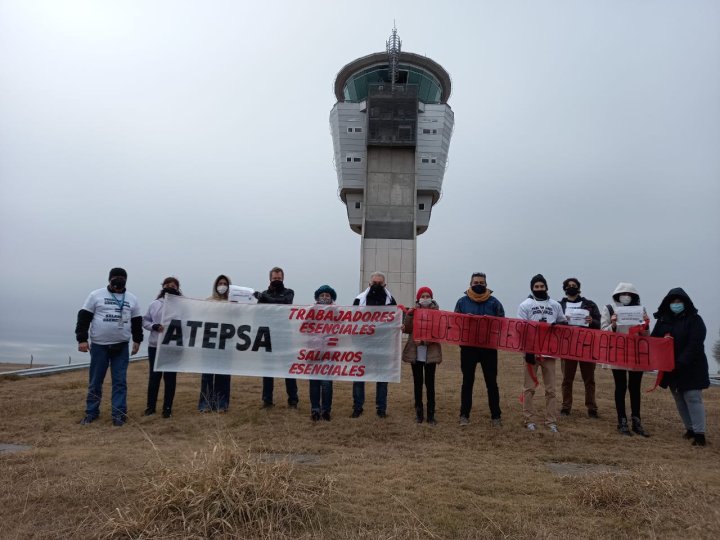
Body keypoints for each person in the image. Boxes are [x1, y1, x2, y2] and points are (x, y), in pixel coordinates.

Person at [75, 267, 143, 426]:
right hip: (100, 346)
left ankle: (118, 414)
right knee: (95, 381)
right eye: (115, 277)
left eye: (122, 277)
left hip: (122, 346)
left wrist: (137, 340)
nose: (118, 280)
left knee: (120, 381)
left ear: (126, 280)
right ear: (109, 279)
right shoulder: (96, 295)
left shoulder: (132, 298)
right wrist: (82, 339)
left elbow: (137, 321)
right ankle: (91, 412)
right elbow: (83, 317)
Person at [651, 288, 709, 446]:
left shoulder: (695, 320)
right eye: (673, 302)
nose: (676, 304)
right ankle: (690, 429)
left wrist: (681, 361)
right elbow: (654, 340)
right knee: (679, 399)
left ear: (685, 302)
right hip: (671, 369)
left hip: (691, 368)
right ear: (668, 303)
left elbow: (695, 343)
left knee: (693, 398)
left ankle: (700, 434)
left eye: (679, 301)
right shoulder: (662, 320)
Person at [454, 272, 505, 426]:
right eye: (476, 282)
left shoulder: (494, 303)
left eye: (482, 283)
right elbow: (455, 324)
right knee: (467, 382)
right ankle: (464, 415)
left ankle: (496, 416)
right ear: (470, 283)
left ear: (486, 284)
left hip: (488, 348)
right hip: (468, 348)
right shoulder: (462, 302)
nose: (479, 285)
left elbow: (502, 323)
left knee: (491, 383)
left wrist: (491, 322)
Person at [518, 274, 567, 433]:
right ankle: (528, 419)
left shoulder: (555, 305)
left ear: (546, 287)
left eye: (542, 286)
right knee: (529, 388)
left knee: (551, 389)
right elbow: (521, 329)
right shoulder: (525, 305)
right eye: (536, 286)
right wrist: (528, 350)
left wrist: (558, 324)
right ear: (532, 288)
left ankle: (551, 421)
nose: (539, 289)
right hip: (532, 352)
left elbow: (563, 323)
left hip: (550, 353)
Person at [600, 282, 650, 437]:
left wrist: (646, 325)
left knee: (635, 388)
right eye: (623, 294)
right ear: (617, 295)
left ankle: (636, 421)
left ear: (634, 296)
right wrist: (613, 325)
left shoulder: (640, 309)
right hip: (618, 353)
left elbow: (646, 335)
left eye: (629, 294)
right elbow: (603, 331)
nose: (626, 296)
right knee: (620, 387)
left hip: (636, 353)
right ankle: (621, 421)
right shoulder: (609, 308)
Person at [352, 271, 397, 418]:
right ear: (369, 284)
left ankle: (381, 408)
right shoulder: (359, 300)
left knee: (382, 378)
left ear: (384, 285)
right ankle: (358, 407)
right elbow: (352, 321)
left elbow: (395, 321)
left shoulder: (391, 301)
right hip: (363, 344)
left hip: (383, 345)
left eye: (379, 283)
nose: (376, 286)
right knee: (359, 378)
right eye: (374, 283)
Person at [558, 277, 601, 418]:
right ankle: (566, 407)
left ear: (578, 288)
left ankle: (592, 408)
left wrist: (592, 321)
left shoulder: (590, 304)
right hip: (567, 346)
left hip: (587, 346)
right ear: (565, 288)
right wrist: (564, 321)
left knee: (589, 379)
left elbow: (599, 323)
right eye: (569, 285)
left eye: (574, 285)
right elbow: (555, 325)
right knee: (567, 379)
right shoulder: (559, 305)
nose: (572, 287)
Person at [255, 267, 298, 408]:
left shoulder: (289, 292)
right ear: (270, 279)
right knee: (268, 369)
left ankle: (293, 400)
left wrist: (264, 298)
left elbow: (284, 303)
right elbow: (258, 314)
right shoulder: (264, 294)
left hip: (284, 335)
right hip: (268, 335)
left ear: (283, 278)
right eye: (275, 278)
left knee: (288, 369)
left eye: (279, 278)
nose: (277, 280)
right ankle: (267, 400)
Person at [142, 276, 181, 418]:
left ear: (178, 288)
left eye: (174, 285)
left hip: (172, 347)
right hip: (155, 346)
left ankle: (167, 408)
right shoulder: (155, 304)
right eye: (167, 285)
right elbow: (145, 320)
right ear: (163, 287)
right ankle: (150, 407)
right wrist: (154, 326)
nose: (170, 287)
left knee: (170, 378)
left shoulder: (182, 305)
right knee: (154, 378)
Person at [402, 286, 442, 424]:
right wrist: (410, 314)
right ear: (418, 298)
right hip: (416, 353)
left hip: (430, 353)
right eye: (423, 296)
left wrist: (425, 341)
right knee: (417, 384)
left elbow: (439, 332)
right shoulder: (413, 311)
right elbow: (407, 329)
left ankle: (431, 414)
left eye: (427, 296)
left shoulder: (437, 313)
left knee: (430, 384)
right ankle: (419, 413)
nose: (425, 298)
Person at [198, 275, 233, 412]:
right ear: (215, 285)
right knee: (207, 375)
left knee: (223, 375)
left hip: (226, 342)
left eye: (225, 283)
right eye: (220, 283)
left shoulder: (233, 303)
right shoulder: (208, 301)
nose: (222, 285)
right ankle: (205, 403)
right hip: (209, 341)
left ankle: (221, 404)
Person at [309, 285, 336, 421]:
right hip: (313, 352)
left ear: (332, 297)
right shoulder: (311, 311)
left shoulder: (337, 311)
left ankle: (326, 410)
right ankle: (315, 409)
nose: (325, 297)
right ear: (317, 297)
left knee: (326, 383)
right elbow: (304, 327)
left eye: (327, 295)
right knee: (314, 383)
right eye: (322, 295)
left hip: (329, 352)